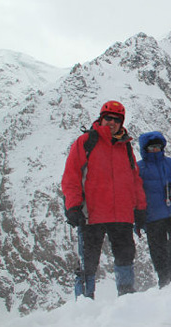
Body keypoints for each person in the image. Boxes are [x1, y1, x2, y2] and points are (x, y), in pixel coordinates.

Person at [62, 100, 147, 298]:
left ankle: (127, 299)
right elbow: (71, 176)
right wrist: (73, 206)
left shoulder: (125, 146)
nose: (112, 122)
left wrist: (140, 208)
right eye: (108, 118)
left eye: (117, 119)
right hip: (91, 215)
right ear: (101, 118)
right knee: (88, 263)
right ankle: (84, 304)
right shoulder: (86, 142)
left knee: (125, 257)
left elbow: (134, 179)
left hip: (122, 215)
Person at [137, 131, 171, 288]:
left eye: (158, 147)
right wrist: (137, 217)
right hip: (152, 216)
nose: (155, 150)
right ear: (145, 149)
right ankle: (165, 280)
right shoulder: (139, 168)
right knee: (158, 249)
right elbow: (134, 193)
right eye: (152, 148)